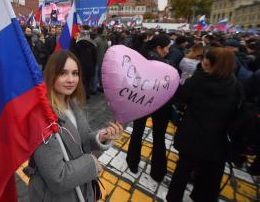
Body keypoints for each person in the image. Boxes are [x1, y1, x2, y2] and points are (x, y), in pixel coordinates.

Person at [26, 50, 122, 201]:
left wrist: (101, 137)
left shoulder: (72, 103)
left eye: (75, 73)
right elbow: (57, 177)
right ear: (51, 75)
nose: (71, 79)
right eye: (63, 73)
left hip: (81, 190)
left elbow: (81, 140)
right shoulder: (41, 117)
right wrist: (91, 163)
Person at [166, 47, 239, 202]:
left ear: (211, 64)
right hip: (217, 140)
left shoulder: (198, 80)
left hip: (192, 136)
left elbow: (180, 97)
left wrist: (198, 74)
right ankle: (199, 196)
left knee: (182, 172)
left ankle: (173, 198)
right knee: (209, 177)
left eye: (205, 60)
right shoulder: (235, 85)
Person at [126, 34, 172, 182]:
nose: (168, 51)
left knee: (137, 132)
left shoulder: (141, 55)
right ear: (158, 48)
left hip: (141, 101)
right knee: (159, 137)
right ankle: (157, 172)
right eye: (167, 48)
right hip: (160, 104)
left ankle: (132, 162)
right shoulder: (163, 64)